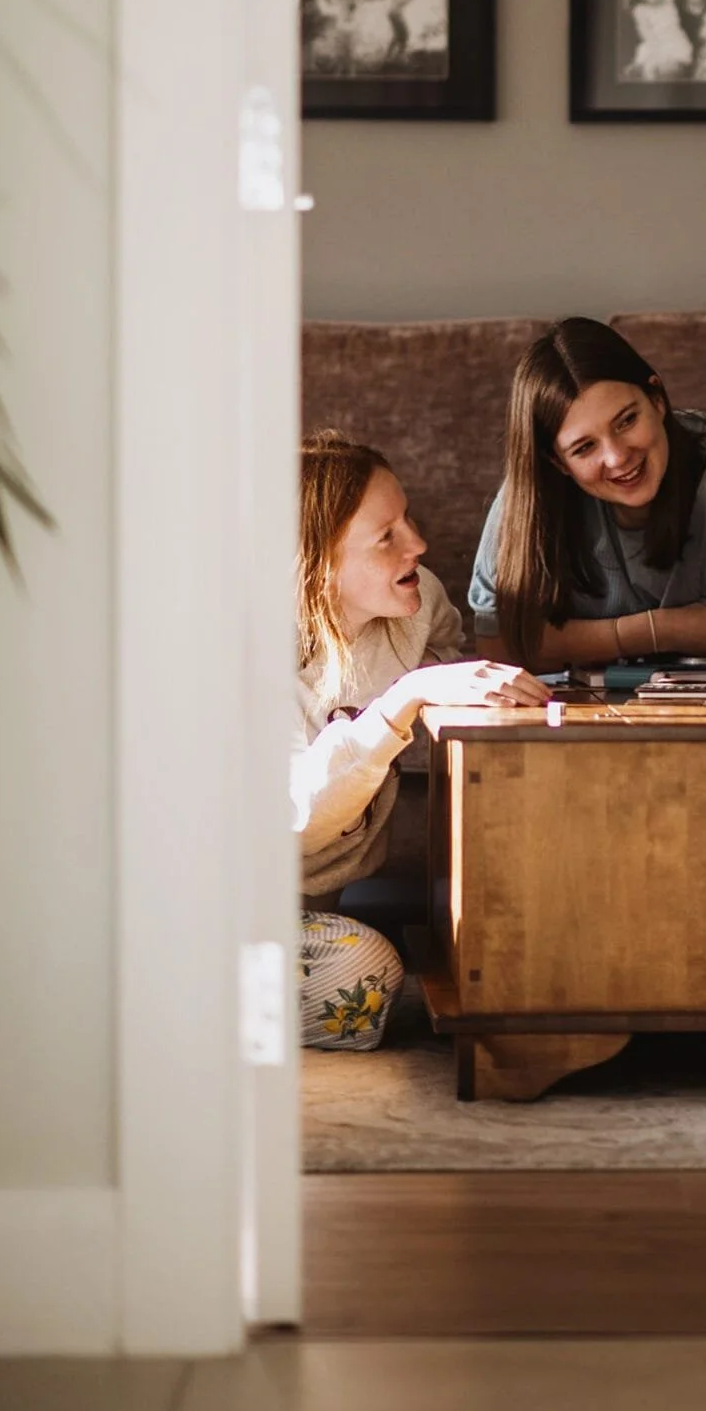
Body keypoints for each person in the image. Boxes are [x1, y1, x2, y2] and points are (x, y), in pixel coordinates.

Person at [295, 431, 549, 1051]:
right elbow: (294, 821)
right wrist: (404, 699)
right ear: (318, 563)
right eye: (387, 537)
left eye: (407, 518)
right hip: (214, 897)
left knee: (367, 973)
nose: (418, 544)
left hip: (312, 905)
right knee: (367, 977)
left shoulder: (418, 597)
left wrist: (439, 676)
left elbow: (443, 640)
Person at [470, 319, 706, 669]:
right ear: (558, 462)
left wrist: (577, 641)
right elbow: (499, 644)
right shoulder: (532, 493)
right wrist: (662, 630)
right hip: (577, 709)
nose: (617, 457)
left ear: (657, 399)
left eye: (626, 421)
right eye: (584, 448)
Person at [624, 0, 694, 79]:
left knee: (670, 64)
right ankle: (643, 73)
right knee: (650, 64)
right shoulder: (641, 10)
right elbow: (646, 33)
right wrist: (658, 52)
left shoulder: (666, 0)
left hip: (675, 41)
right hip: (656, 42)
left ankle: (654, 72)